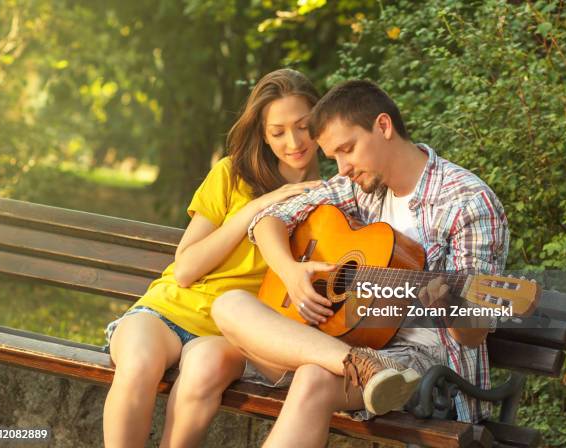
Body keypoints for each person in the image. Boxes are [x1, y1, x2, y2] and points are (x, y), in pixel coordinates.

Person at [212, 80, 509, 447]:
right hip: (347, 343)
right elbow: (268, 220)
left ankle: (359, 367)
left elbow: (473, 332)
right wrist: (291, 273)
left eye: (347, 149)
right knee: (229, 305)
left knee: (312, 379)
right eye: (334, 155)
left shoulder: (468, 202)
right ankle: (359, 365)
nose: (342, 167)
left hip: (427, 367)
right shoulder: (356, 186)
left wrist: (449, 304)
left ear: (383, 127)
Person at [102, 68, 324, 448]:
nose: (294, 141)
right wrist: (261, 205)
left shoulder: (329, 201)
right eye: (278, 131)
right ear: (262, 134)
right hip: (167, 311)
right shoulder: (230, 175)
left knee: (204, 369)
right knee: (138, 364)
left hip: (231, 334)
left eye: (303, 126)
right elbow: (186, 269)